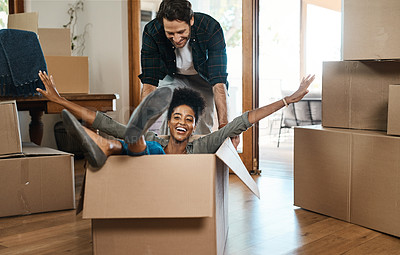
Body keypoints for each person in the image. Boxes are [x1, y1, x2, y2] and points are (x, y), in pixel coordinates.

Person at [37, 71, 315, 169]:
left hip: (168, 177)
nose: (182, 123)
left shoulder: (203, 146)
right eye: (177, 117)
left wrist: (288, 100)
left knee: (142, 144)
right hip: (147, 168)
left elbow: (244, 120)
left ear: (195, 125)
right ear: (168, 121)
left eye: (189, 119)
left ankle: (109, 146)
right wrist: (60, 100)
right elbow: (105, 122)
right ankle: (115, 141)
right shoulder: (158, 139)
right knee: (141, 142)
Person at [139, 0, 229, 135]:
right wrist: (140, 127)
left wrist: (224, 126)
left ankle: (198, 156)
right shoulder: (152, 31)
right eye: (170, 33)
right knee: (172, 117)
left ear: (191, 20)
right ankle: (169, 155)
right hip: (171, 75)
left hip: (203, 78)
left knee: (201, 122)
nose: (176, 38)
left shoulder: (210, 28)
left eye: (181, 32)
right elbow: (149, 83)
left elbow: (219, 82)